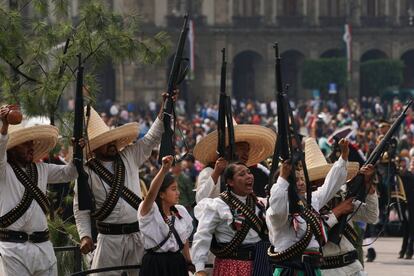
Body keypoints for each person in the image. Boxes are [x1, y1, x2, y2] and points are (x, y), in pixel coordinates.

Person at [73, 92, 170, 275]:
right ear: (94, 147)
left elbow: (151, 139)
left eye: (112, 140)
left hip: (137, 235)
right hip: (109, 239)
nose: (112, 144)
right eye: (106, 142)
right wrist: (85, 236)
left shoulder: (129, 155)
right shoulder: (87, 171)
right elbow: (81, 209)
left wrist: (163, 110)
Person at [0, 105, 79, 276]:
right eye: (25, 144)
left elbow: (71, 172)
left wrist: (78, 150)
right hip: (13, 249)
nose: (31, 147)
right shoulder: (3, 170)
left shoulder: (41, 168)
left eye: (31, 143)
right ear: (11, 148)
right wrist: (5, 127)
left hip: (43, 247)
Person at [266, 138, 356, 276]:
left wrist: (344, 156)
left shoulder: (310, 201)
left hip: (312, 269)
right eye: (296, 180)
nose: (301, 183)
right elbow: (277, 209)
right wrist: (283, 177)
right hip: (291, 270)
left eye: (302, 179)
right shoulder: (277, 209)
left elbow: (330, 185)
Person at [191, 162, 272, 276]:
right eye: (242, 174)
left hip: (260, 265)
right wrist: (200, 268)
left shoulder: (259, 204)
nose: (248, 176)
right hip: (232, 267)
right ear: (230, 182)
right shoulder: (217, 205)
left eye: (249, 172)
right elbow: (203, 235)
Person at [138, 155, 193, 276]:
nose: (178, 193)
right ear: (161, 194)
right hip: (155, 265)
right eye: (173, 189)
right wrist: (163, 170)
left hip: (177, 263)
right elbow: (152, 193)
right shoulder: (150, 211)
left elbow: (184, 240)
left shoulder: (180, 211)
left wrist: (188, 261)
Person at [320, 164, 378, 276]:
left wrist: (368, 186)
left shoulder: (340, 197)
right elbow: (314, 230)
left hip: (352, 268)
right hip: (326, 270)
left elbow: (371, 216)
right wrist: (338, 211)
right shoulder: (308, 202)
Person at [193, 124, 276, 202]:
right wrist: (216, 173)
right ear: (228, 150)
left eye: (247, 150)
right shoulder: (209, 171)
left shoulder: (248, 172)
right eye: (242, 148)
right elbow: (200, 199)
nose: (246, 153)